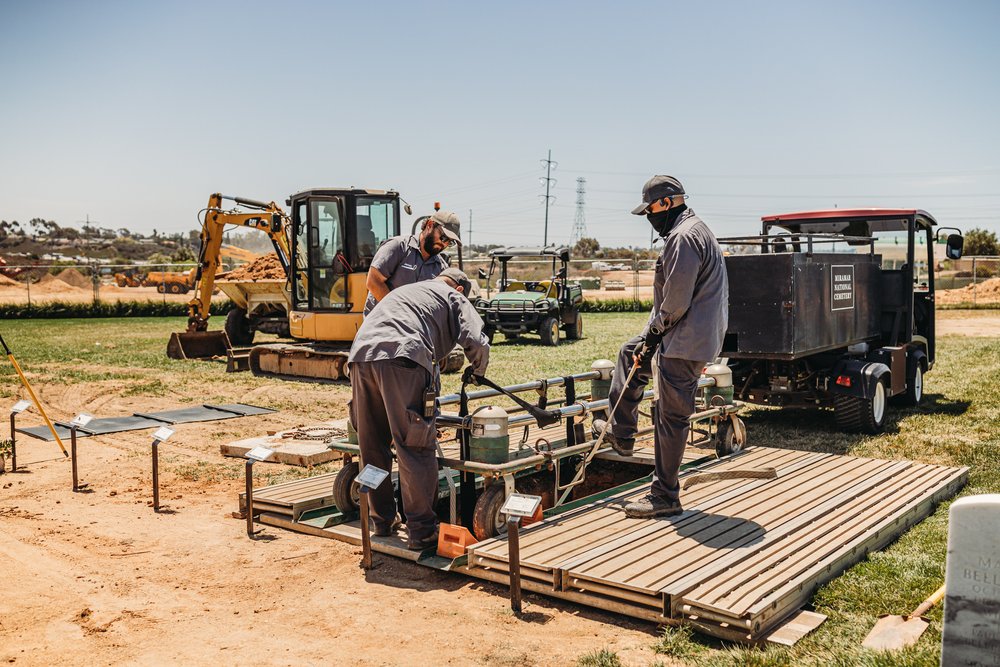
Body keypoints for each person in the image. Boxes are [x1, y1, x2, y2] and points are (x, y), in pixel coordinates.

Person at [593, 175, 728, 519]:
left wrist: (653, 337)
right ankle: (622, 432)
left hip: (683, 340)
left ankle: (665, 495)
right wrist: (648, 339)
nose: (650, 219)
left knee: (670, 417)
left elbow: (676, 300)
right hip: (686, 334)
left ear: (667, 203)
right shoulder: (695, 230)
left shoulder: (683, 237)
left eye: (651, 210)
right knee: (629, 353)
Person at [348, 268, 490, 550]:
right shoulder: (453, 296)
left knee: (372, 445)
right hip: (404, 358)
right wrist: (478, 370)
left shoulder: (407, 291)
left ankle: (382, 519)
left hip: (361, 357)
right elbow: (475, 338)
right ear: (460, 289)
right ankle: (423, 531)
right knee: (414, 445)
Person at [363, 210, 462, 315]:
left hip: (413, 328)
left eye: (450, 242)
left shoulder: (441, 268)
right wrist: (399, 313)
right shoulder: (397, 247)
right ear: (429, 225)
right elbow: (373, 281)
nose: (444, 244)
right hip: (381, 324)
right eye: (443, 237)